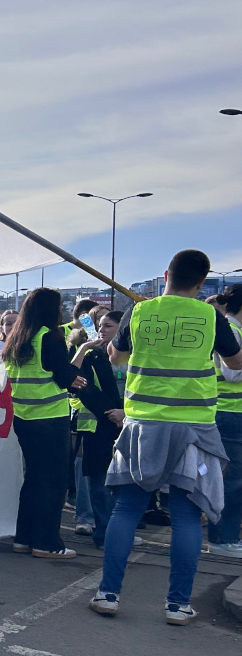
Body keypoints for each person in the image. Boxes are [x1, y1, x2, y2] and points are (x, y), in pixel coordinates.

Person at [92, 251, 242, 622]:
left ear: (165, 275)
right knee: (186, 516)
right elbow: (236, 362)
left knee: (127, 508)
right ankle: (178, 604)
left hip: (143, 425)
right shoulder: (211, 316)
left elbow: (115, 358)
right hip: (195, 428)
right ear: (202, 282)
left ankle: (108, 594)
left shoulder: (139, 311)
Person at [2, 288, 91, 560]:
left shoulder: (17, 338)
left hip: (23, 418)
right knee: (53, 483)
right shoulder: (49, 337)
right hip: (50, 418)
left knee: (34, 480)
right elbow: (64, 377)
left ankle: (24, 538)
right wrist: (80, 359)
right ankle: (46, 543)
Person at [68, 310, 128, 547]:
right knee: (99, 482)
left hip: (129, 422)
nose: (101, 330)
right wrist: (111, 412)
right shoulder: (92, 354)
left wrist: (126, 412)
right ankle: (103, 532)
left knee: (125, 482)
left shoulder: (135, 354)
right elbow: (79, 384)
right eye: (100, 325)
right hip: (99, 424)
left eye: (108, 326)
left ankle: (121, 530)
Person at [209, 285, 242, 557]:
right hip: (230, 413)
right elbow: (232, 374)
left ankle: (226, 535)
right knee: (232, 480)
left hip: (231, 413)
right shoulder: (231, 329)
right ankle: (223, 538)